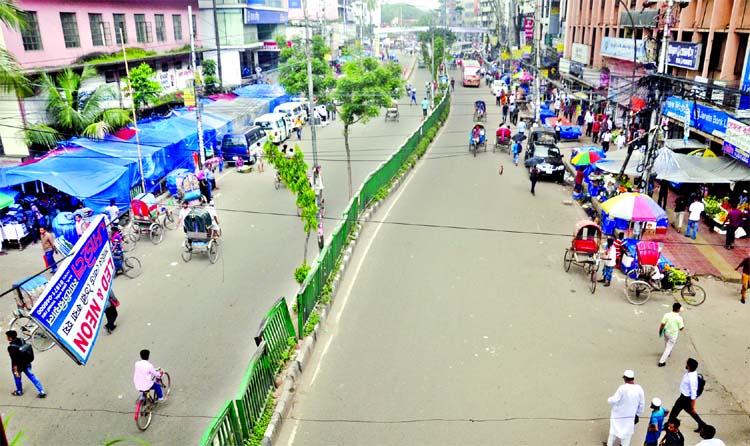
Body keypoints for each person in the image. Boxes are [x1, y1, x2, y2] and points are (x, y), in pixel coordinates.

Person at [605, 369, 645, 446]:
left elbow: (614, 399)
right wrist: (637, 414)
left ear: (625, 378)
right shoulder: (639, 389)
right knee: (626, 437)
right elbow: (642, 404)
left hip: (618, 416)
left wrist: (609, 400)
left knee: (613, 432)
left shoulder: (622, 388)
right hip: (630, 418)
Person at [667, 358, 705, 433]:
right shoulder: (691, 373)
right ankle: (702, 424)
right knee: (689, 412)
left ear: (689, 366)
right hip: (684, 397)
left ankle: (669, 423)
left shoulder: (692, 378)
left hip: (685, 398)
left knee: (675, 410)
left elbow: (693, 393)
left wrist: (693, 406)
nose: (686, 364)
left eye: (687, 364)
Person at [6, 330, 46, 398]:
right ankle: (41, 391)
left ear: (10, 338)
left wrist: (15, 371)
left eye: (7, 336)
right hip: (27, 363)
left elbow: (14, 360)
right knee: (32, 377)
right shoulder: (22, 340)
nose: (6, 337)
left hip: (18, 366)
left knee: (17, 379)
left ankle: (19, 391)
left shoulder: (11, 347)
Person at [658, 303, 685, 367]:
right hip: (673, 335)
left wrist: (660, 331)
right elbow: (681, 328)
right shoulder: (679, 318)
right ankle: (661, 362)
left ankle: (668, 353)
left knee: (666, 342)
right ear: (678, 309)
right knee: (669, 347)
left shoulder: (667, 315)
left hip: (666, 332)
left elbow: (662, 324)